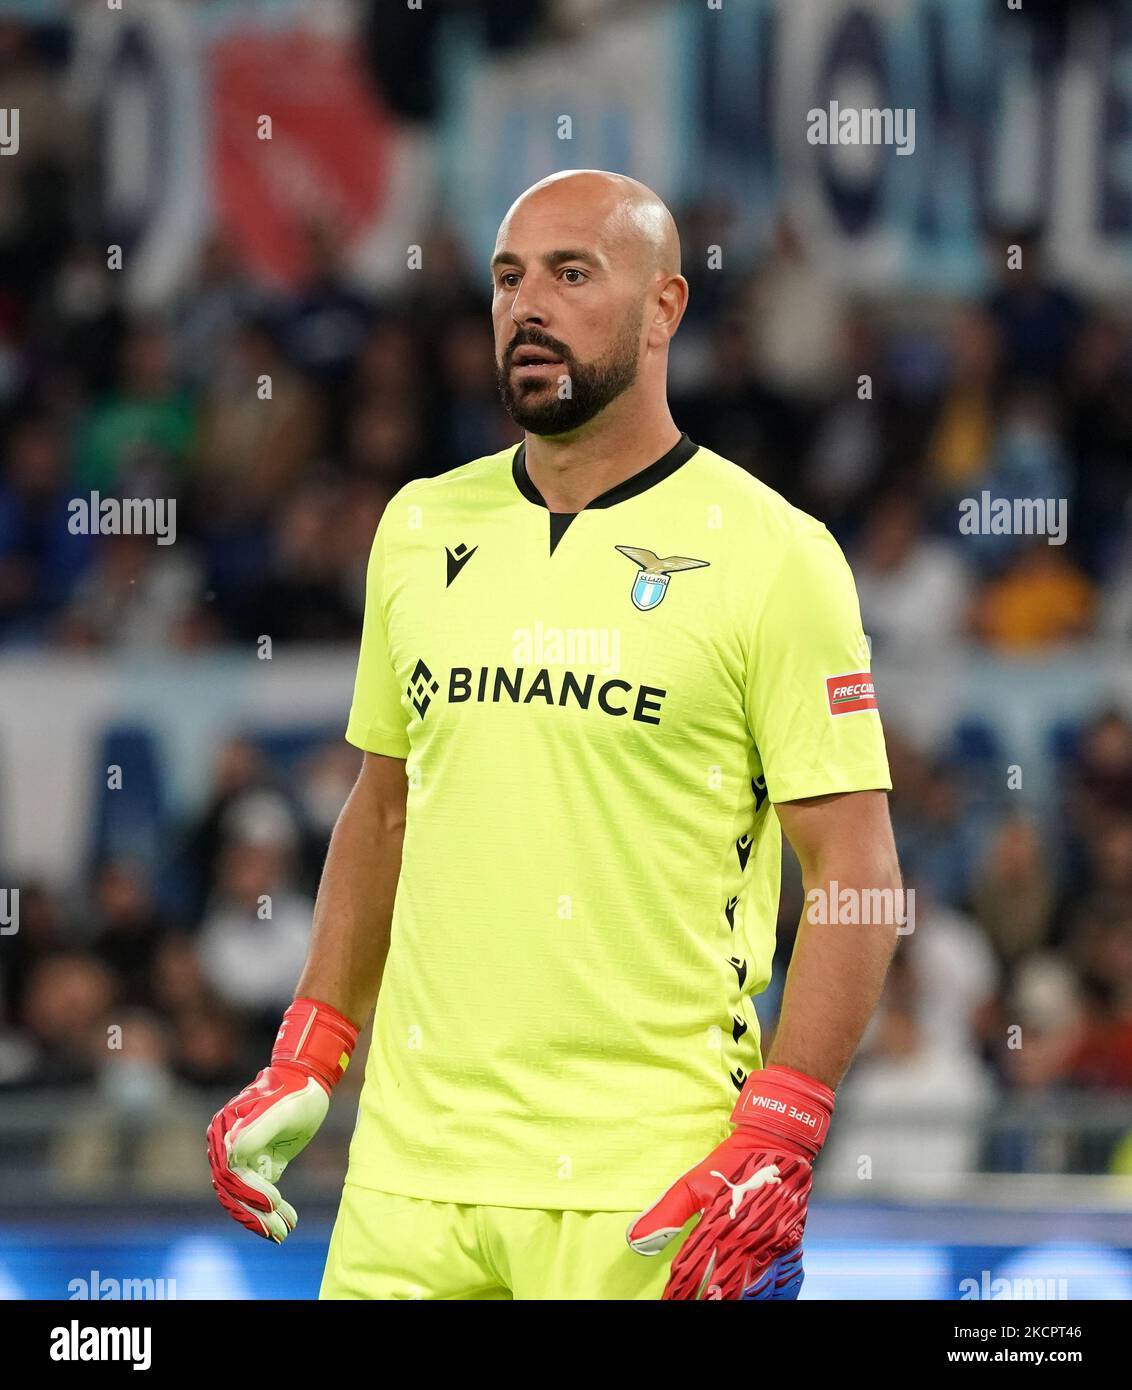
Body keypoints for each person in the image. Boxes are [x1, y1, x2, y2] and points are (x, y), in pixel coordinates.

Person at [207, 170, 901, 1300]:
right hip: (406, 1187)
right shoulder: (419, 525)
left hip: (653, 1191)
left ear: (664, 306)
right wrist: (310, 1045)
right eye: (507, 279)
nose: (527, 306)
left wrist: (783, 1126)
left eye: (572, 275)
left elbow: (858, 870)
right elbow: (383, 807)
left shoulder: (776, 554)